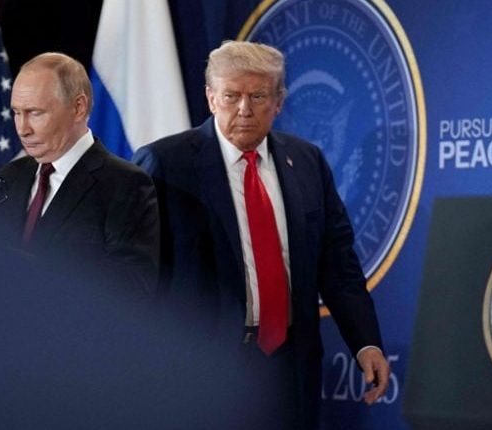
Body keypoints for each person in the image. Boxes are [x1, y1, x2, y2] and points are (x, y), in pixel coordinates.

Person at [134, 40, 390, 429]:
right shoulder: (166, 165)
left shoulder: (307, 161)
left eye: (257, 96)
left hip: (290, 369)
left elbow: (338, 263)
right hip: (199, 372)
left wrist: (366, 342)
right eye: (231, 96)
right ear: (210, 98)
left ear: (279, 101)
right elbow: (138, 275)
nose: (244, 109)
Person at [0, 52, 159, 296]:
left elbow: (132, 289)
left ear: (78, 108)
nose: (22, 129)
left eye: (35, 113)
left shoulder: (125, 185)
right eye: (17, 113)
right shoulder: (7, 178)